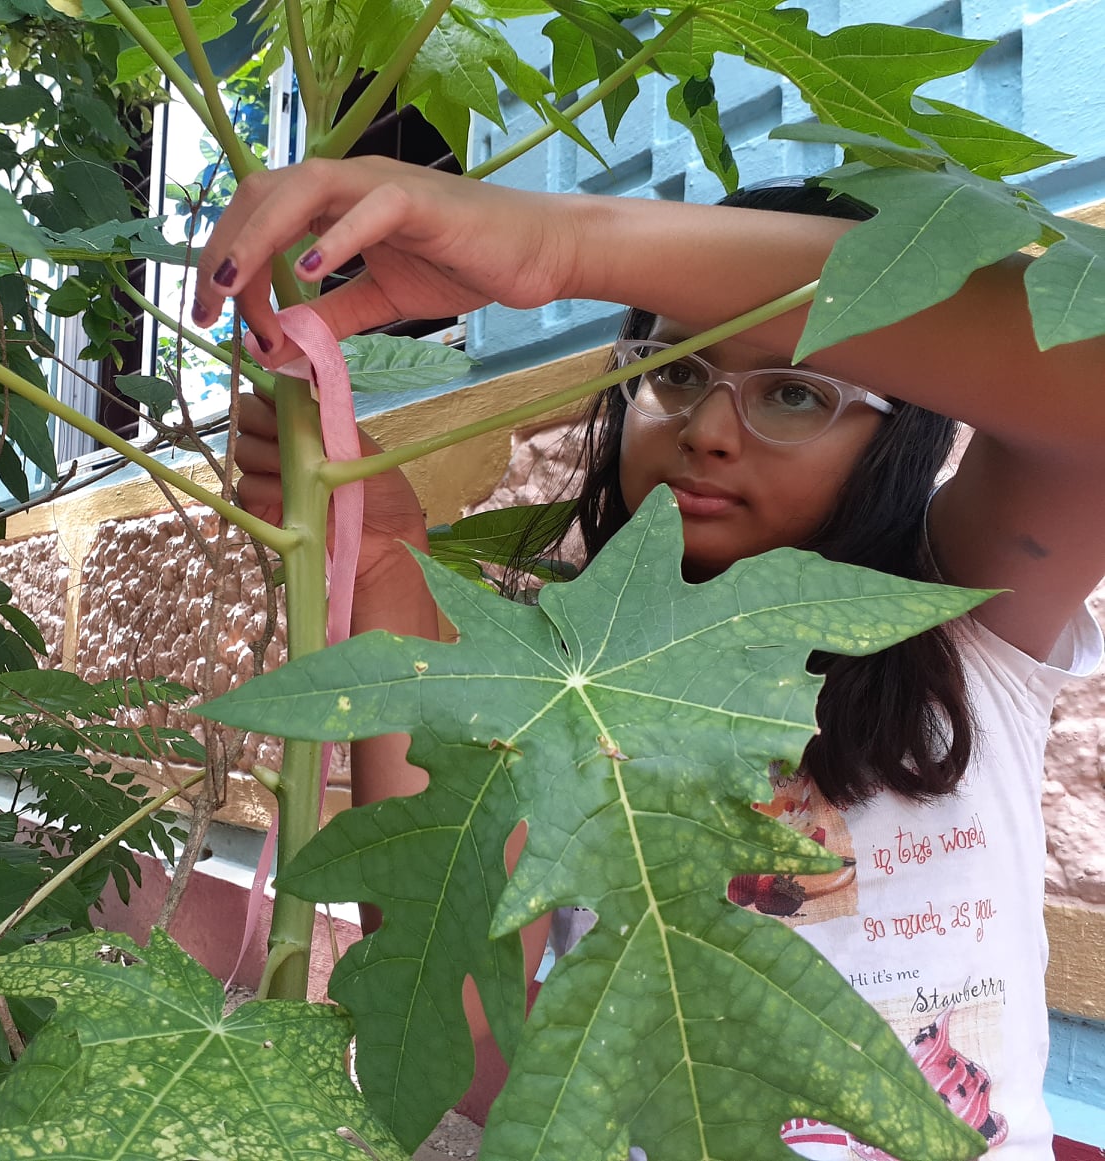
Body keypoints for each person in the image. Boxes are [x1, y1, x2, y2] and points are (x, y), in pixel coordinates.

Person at [191, 156, 1105, 1159]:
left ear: (904, 436)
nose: (710, 430)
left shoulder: (965, 619)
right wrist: (381, 564)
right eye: (674, 373)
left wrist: (562, 244)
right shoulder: (556, 676)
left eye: (795, 393)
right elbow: (457, 997)